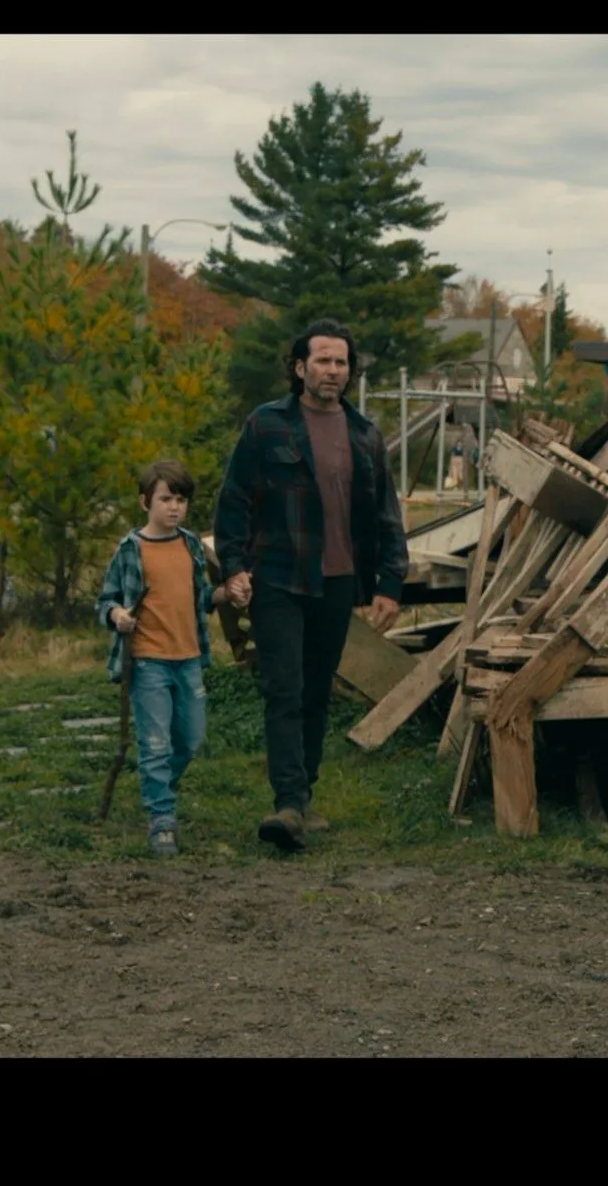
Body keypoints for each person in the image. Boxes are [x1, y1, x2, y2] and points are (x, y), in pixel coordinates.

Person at [214, 320, 408, 853]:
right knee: (284, 687)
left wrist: (390, 581)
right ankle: (289, 803)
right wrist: (233, 566)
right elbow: (233, 501)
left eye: (341, 362)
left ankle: (303, 795)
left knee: (317, 692)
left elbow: (386, 515)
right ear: (300, 368)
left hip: (339, 582)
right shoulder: (267, 426)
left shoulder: (365, 435)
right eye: (322, 360)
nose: (333, 370)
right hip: (277, 577)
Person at [96, 458, 218, 858]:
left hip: (189, 658)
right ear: (145, 501)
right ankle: (162, 820)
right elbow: (106, 601)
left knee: (191, 738)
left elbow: (200, 598)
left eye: (181, 500)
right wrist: (119, 616)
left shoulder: (190, 545)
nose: (174, 507)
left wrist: (225, 595)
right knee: (155, 743)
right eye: (166, 498)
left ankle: (159, 786)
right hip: (148, 660)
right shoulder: (132, 549)